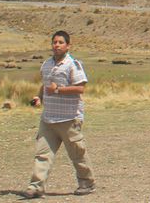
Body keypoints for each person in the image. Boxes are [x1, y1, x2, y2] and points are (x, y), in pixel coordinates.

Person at [23, 30, 96, 199]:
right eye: (54, 42)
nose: (56, 45)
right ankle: (36, 187)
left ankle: (87, 183)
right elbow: (45, 85)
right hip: (48, 118)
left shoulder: (72, 64)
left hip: (69, 118)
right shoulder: (46, 64)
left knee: (77, 153)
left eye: (60, 42)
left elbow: (80, 88)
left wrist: (58, 90)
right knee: (42, 153)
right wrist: (38, 97)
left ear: (68, 46)